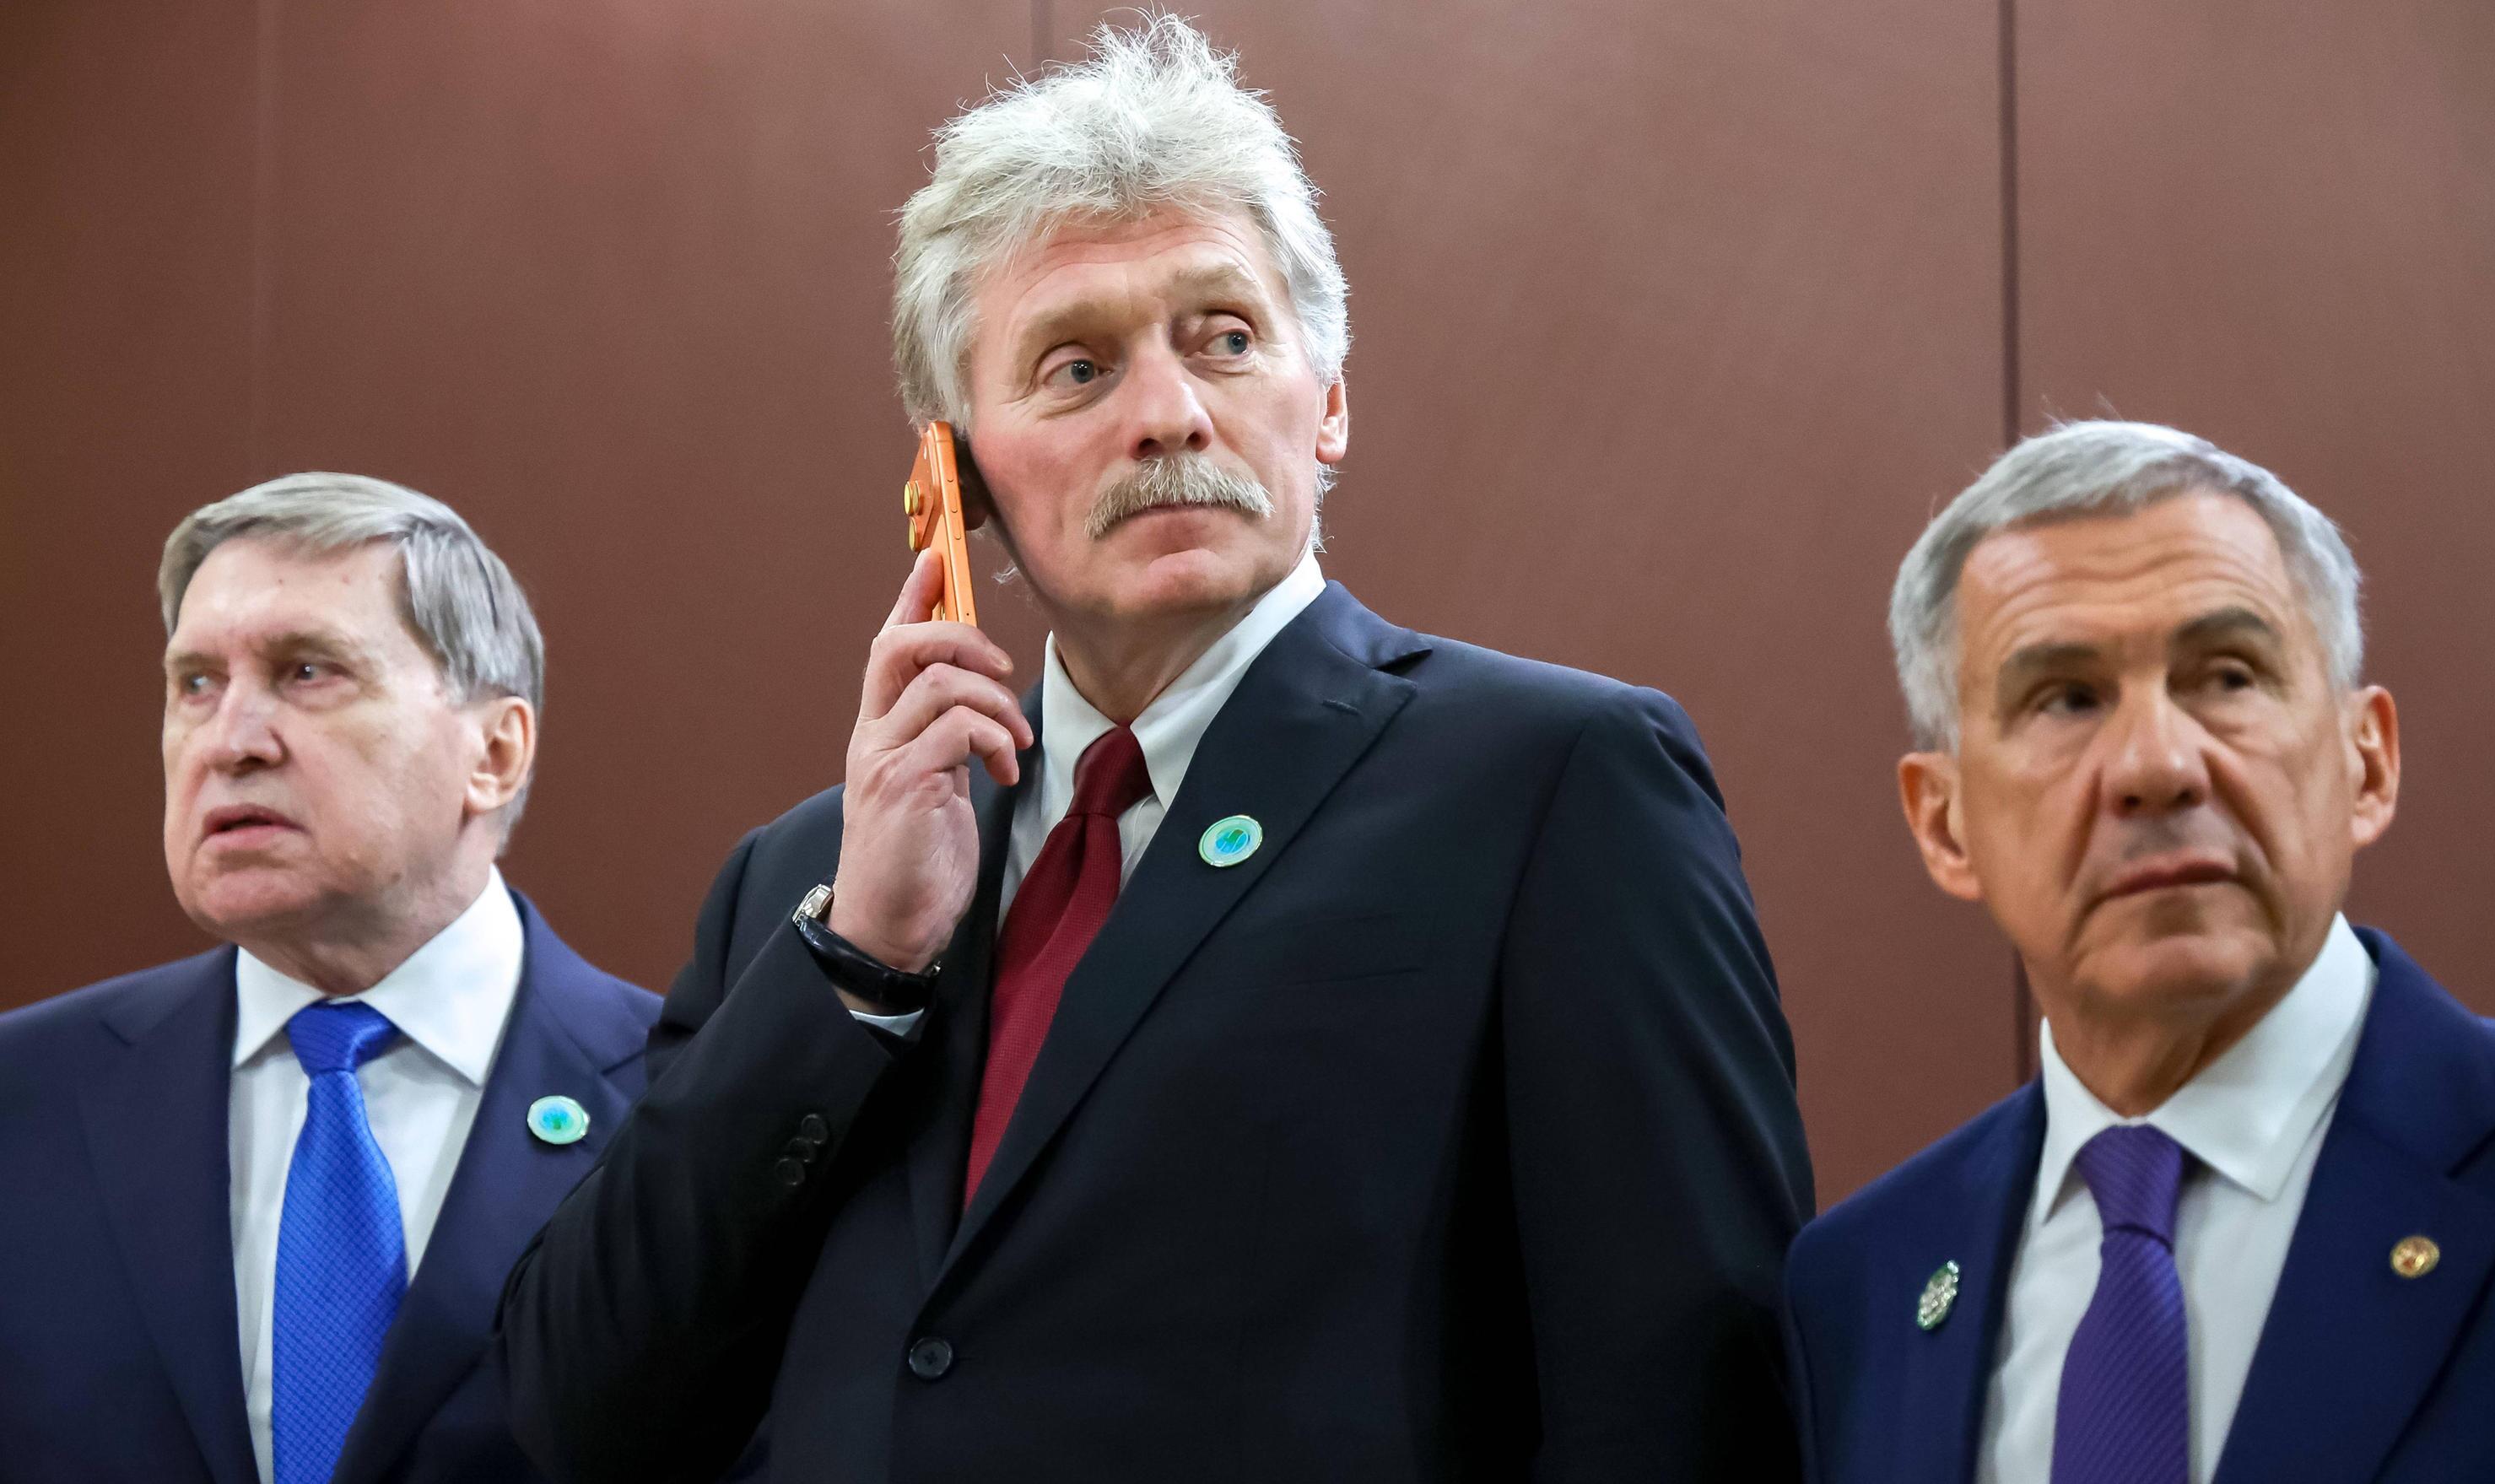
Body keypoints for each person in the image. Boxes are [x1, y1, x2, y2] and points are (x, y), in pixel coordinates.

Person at [500, 17, 1811, 1481]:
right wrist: (858, 966)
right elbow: (581, 1412)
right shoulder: (810, 885)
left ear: (1330, 400)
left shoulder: (1555, 783)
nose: (1170, 415)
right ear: (952, 477)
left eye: (1226, 338)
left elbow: (1688, 1393)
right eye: (1076, 367)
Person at [1782, 421, 2495, 1483]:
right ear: (1945, 823)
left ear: (2366, 761)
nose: (2157, 764)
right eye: (2067, 698)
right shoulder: (1860, 1287)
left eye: (2227, 676)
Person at [0, 475, 660, 1484]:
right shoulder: (26, 1097)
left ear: (493, 752)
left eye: (307, 671)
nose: (230, 741)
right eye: (195, 684)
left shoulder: (684, 1101)